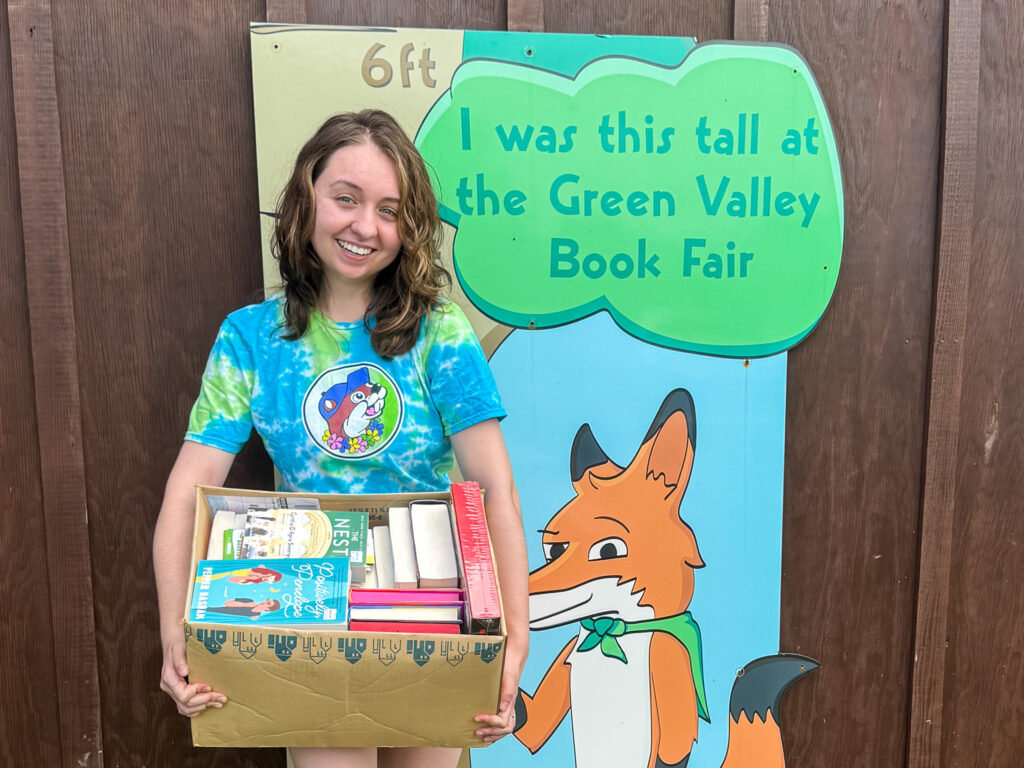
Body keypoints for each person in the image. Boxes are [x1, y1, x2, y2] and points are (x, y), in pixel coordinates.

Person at [153, 109, 529, 767]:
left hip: (435, 618)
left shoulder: (441, 336)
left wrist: (512, 640)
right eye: (345, 199)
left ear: (407, 228)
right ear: (307, 200)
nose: (365, 226)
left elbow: (494, 488)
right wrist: (175, 633)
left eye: (389, 209)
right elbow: (189, 488)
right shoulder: (251, 339)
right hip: (308, 615)